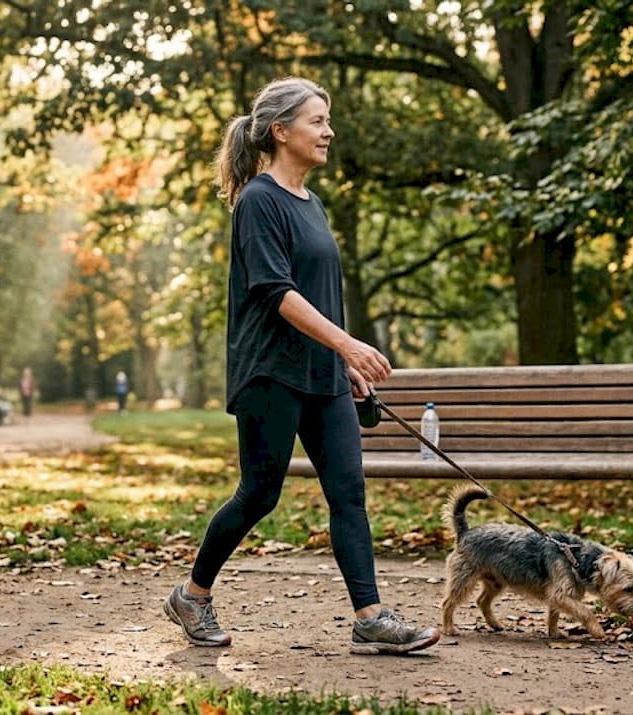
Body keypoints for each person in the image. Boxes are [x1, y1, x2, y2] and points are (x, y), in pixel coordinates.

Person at [163, 77, 440, 655]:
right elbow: (274, 290)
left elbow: (319, 291)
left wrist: (346, 366)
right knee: (259, 494)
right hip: (270, 371)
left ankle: (370, 617)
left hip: (322, 375)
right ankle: (191, 595)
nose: (328, 131)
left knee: (348, 493)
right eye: (317, 121)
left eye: (327, 120)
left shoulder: (313, 204)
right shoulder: (258, 201)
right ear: (280, 131)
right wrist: (348, 345)